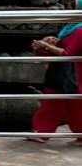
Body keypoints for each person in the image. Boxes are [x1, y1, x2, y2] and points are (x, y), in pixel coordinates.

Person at [29, 10, 82, 141]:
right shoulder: (70, 27)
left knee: (74, 105)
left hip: (72, 71)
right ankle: (42, 132)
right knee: (53, 100)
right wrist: (53, 41)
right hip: (61, 69)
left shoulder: (80, 30)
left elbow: (69, 53)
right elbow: (66, 46)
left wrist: (46, 45)